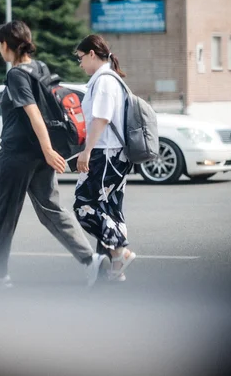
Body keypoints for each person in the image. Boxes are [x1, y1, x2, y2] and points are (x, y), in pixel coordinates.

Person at [0, 21, 105, 290]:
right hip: (40, 154)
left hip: (18, 153)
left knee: (2, 213)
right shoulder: (40, 67)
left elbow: (33, 112)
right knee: (51, 209)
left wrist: (47, 150)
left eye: (0, 44)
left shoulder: (16, 74)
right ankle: (91, 261)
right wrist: (48, 152)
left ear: (6, 45)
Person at [73, 34, 136, 282]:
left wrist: (86, 151)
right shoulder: (109, 79)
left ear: (91, 54)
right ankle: (115, 267)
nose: (80, 64)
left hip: (105, 154)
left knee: (83, 206)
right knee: (110, 211)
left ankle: (120, 252)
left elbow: (101, 119)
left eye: (80, 58)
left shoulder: (104, 81)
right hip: (114, 154)